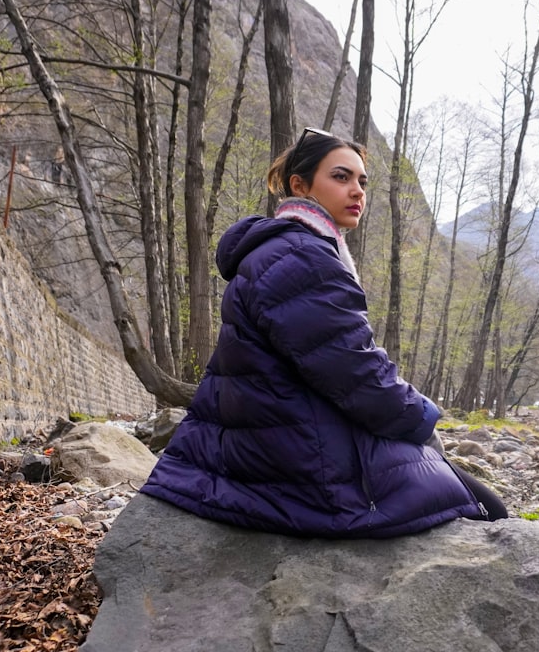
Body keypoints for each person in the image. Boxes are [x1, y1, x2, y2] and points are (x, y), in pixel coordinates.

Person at [141, 127, 507, 538]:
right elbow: (356, 372)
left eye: (362, 181)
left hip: (275, 437)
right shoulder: (302, 257)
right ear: (300, 185)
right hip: (295, 457)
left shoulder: (288, 248)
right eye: (341, 177)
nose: (357, 191)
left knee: (461, 489)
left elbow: (339, 361)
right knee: (484, 507)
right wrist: (422, 419)